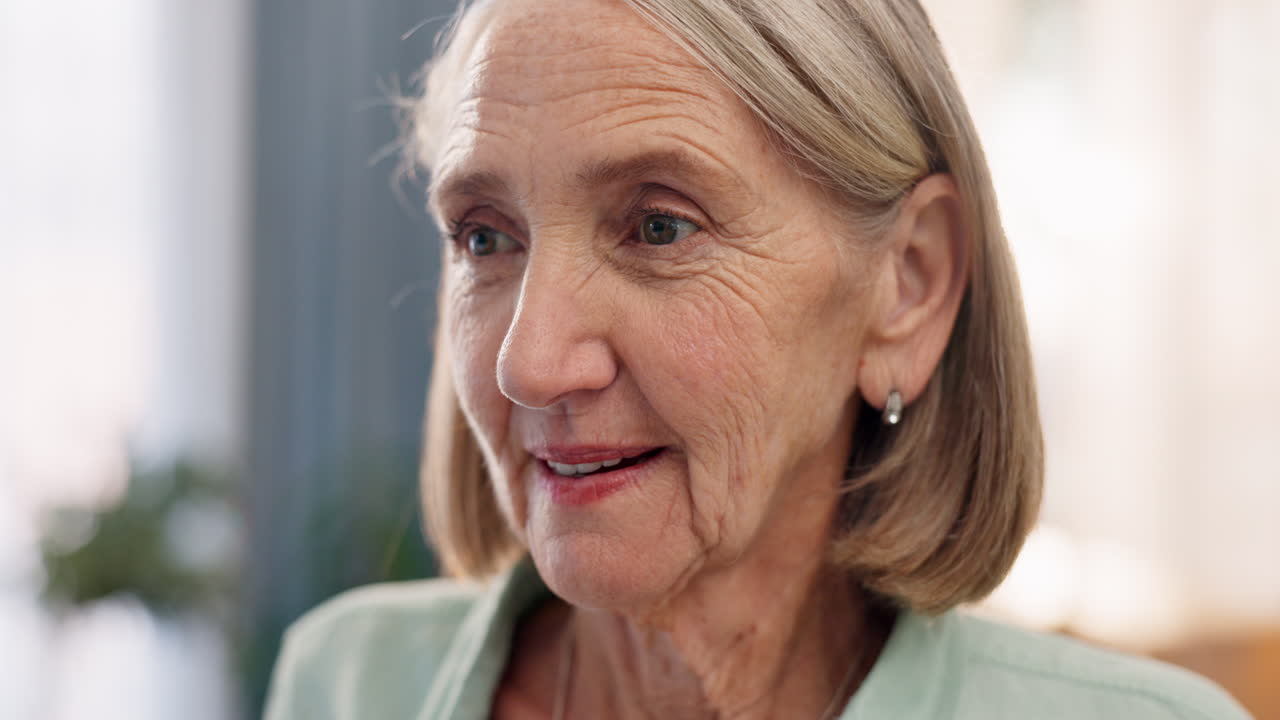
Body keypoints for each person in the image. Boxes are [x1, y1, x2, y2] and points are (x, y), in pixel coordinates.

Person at [263, 0, 1253, 718]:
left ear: (906, 285)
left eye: (657, 226)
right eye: (484, 238)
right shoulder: (346, 680)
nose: (530, 363)